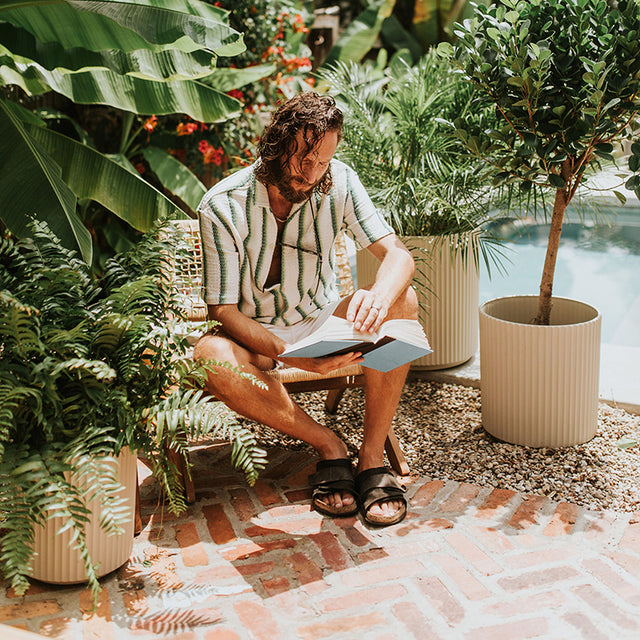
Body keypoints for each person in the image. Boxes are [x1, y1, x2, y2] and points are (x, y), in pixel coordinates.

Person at [194, 91, 418, 526]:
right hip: (255, 334)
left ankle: (372, 457)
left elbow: (398, 255)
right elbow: (223, 310)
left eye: (322, 163)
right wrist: (289, 354)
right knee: (209, 356)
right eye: (303, 159)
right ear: (276, 144)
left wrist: (378, 296)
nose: (312, 174)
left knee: (402, 301)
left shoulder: (340, 182)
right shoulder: (222, 205)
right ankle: (329, 445)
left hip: (321, 321)